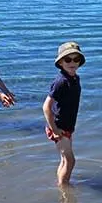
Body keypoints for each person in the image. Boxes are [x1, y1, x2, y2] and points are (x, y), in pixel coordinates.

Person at [43, 41, 84, 186]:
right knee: (70, 160)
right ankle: (64, 188)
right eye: (68, 59)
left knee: (65, 159)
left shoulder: (74, 78)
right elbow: (46, 107)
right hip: (58, 127)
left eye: (76, 59)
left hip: (67, 126)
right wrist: (54, 129)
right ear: (60, 62)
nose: (72, 62)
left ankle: (61, 183)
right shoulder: (61, 82)